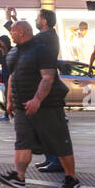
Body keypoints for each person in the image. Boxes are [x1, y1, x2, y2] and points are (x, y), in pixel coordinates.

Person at [0, 20, 80, 188]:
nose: (10, 34)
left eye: (12, 31)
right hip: (22, 106)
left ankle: (71, 178)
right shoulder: (13, 52)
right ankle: (19, 176)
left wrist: (37, 100)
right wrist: (11, 100)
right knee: (22, 142)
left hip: (47, 106)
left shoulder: (41, 50)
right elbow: (13, 76)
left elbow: (48, 78)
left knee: (58, 142)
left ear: (22, 32)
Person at [26, 10, 67, 175]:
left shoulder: (46, 37)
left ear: (44, 21)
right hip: (43, 84)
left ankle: (57, 160)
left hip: (47, 86)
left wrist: (12, 24)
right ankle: (51, 157)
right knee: (44, 124)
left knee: (50, 125)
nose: (36, 20)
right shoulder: (47, 36)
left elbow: (26, 44)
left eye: (37, 18)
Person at [0, 35, 13, 122]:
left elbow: (9, 60)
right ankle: (6, 114)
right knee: (7, 94)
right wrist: (1, 51)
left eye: (1, 42)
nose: (0, 44)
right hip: (6, 74)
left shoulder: (12, 49)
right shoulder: (0, 51)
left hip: (12, 73)